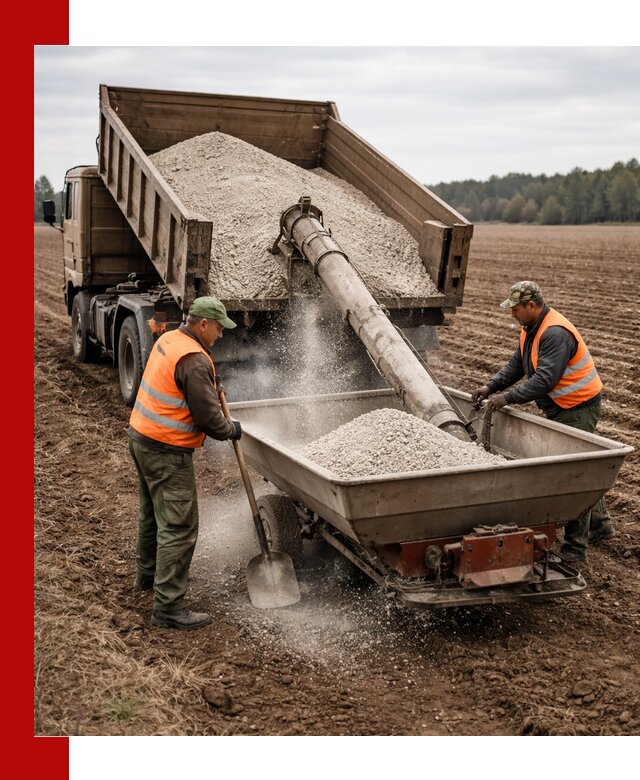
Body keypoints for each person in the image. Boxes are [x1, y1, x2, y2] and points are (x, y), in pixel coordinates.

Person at [471, 281, 614, 563]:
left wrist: (507, 398)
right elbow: (517, 365)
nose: (512, 314)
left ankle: (575, 550)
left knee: (576, 476)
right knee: (583, 466)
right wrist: (490, 387)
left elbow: (544, 380)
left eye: (516, 309)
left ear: (532, 306)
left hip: (578, 407)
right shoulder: (531, 329)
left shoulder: (555, 334)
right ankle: (601, 525)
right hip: (563, 405)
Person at [128, 296, 242, 629]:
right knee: (179, 527)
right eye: (219, 329)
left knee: (151, 514)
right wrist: (231, 428)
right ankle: (168, 607)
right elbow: (209, 420)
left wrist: (210, 384)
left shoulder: (170, 339)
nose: (220, 336)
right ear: (203, 324)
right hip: (166, 451)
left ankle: (148, 578)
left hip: (141, 438)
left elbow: (183, 386)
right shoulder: (194, 360)